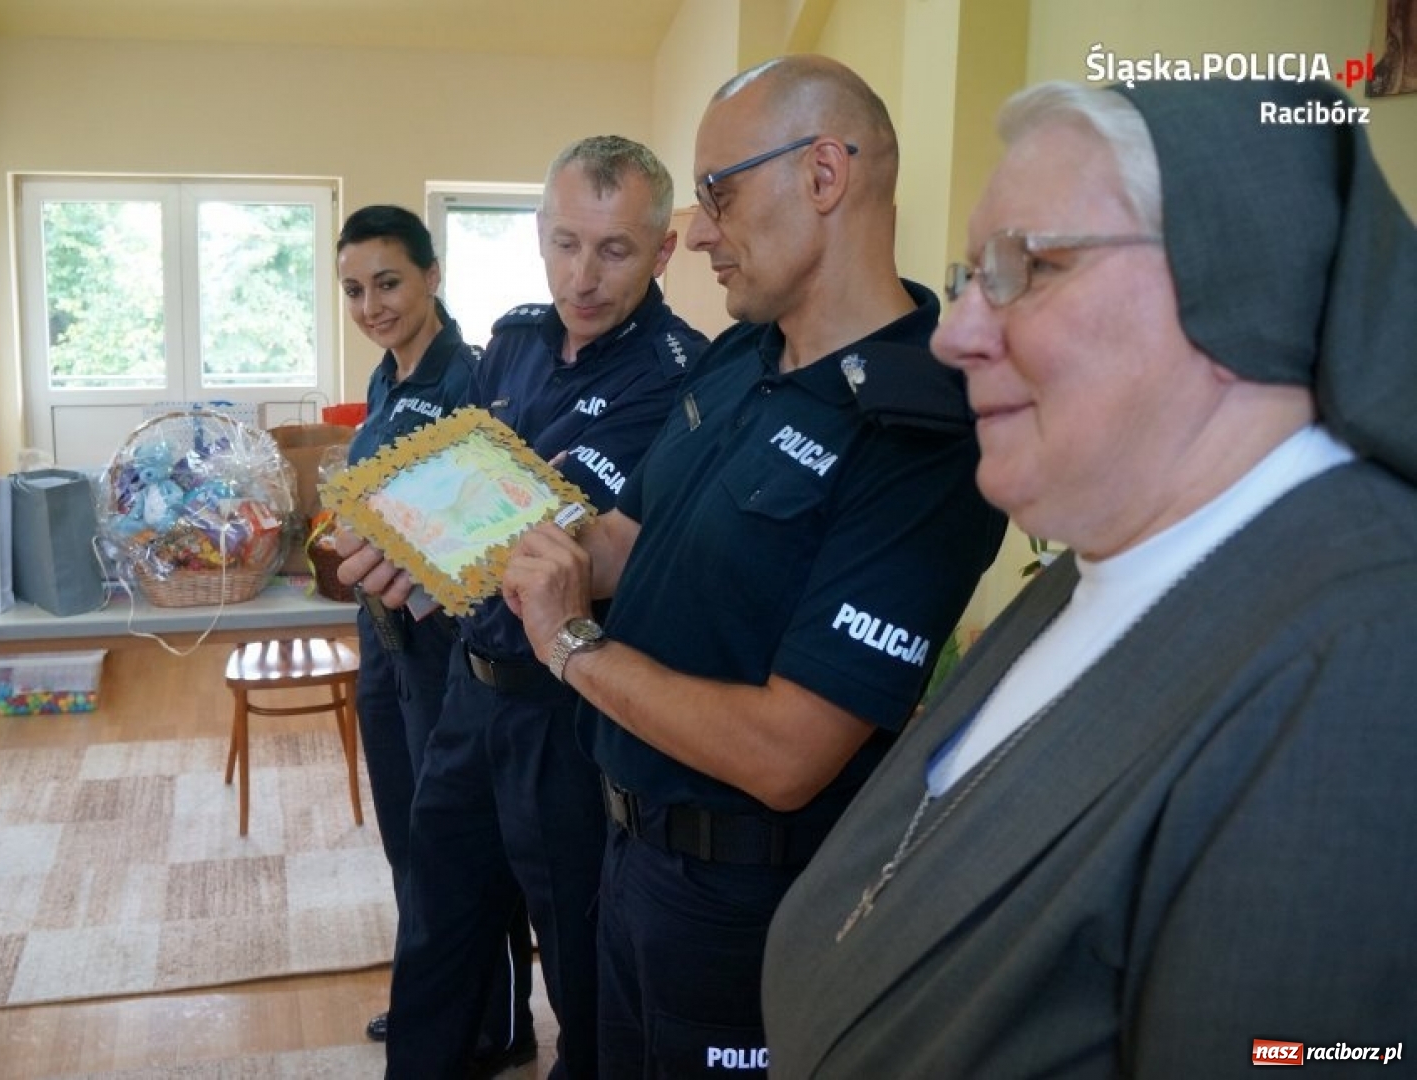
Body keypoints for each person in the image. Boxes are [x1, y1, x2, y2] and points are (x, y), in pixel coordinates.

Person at [761, 77, 1417, 1077]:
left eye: (1027, 266)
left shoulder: (1368, 663)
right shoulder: (1111, 551)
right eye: (970, 272)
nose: (952, 332)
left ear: (1233, 273)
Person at [501, 55, 1006, 1076]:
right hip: (627, 849)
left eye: (718, 193)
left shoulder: (923, 433)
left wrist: (565, 645)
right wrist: (493, 521)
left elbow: (787, 754)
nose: (692, 233)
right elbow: (631, 544)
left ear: (824, 176)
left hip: (750, 902)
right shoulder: (742, 352)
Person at [338, 136, 708, 1078]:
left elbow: (558, 543)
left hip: (569, 705)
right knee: (436, 921)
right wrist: (388, 520)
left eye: (615, 250)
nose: (582, 277)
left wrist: (420, 535)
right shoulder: (513, 340)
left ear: (663, 251)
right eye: (565, 244)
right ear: (540, 237)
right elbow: (452, 474)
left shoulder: (679, 374)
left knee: (577, 951)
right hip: (471, 684)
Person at [333, 204, 534, 1069]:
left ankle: (498, 1024)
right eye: (354, 289)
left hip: (446, 645)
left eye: (388, 283)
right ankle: (438, 997)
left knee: (458, 842)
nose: (372, 304)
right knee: (407, 831)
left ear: (432, 276)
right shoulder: (387, 379)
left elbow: (486, 530)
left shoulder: (469, 379)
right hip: (383, 638)